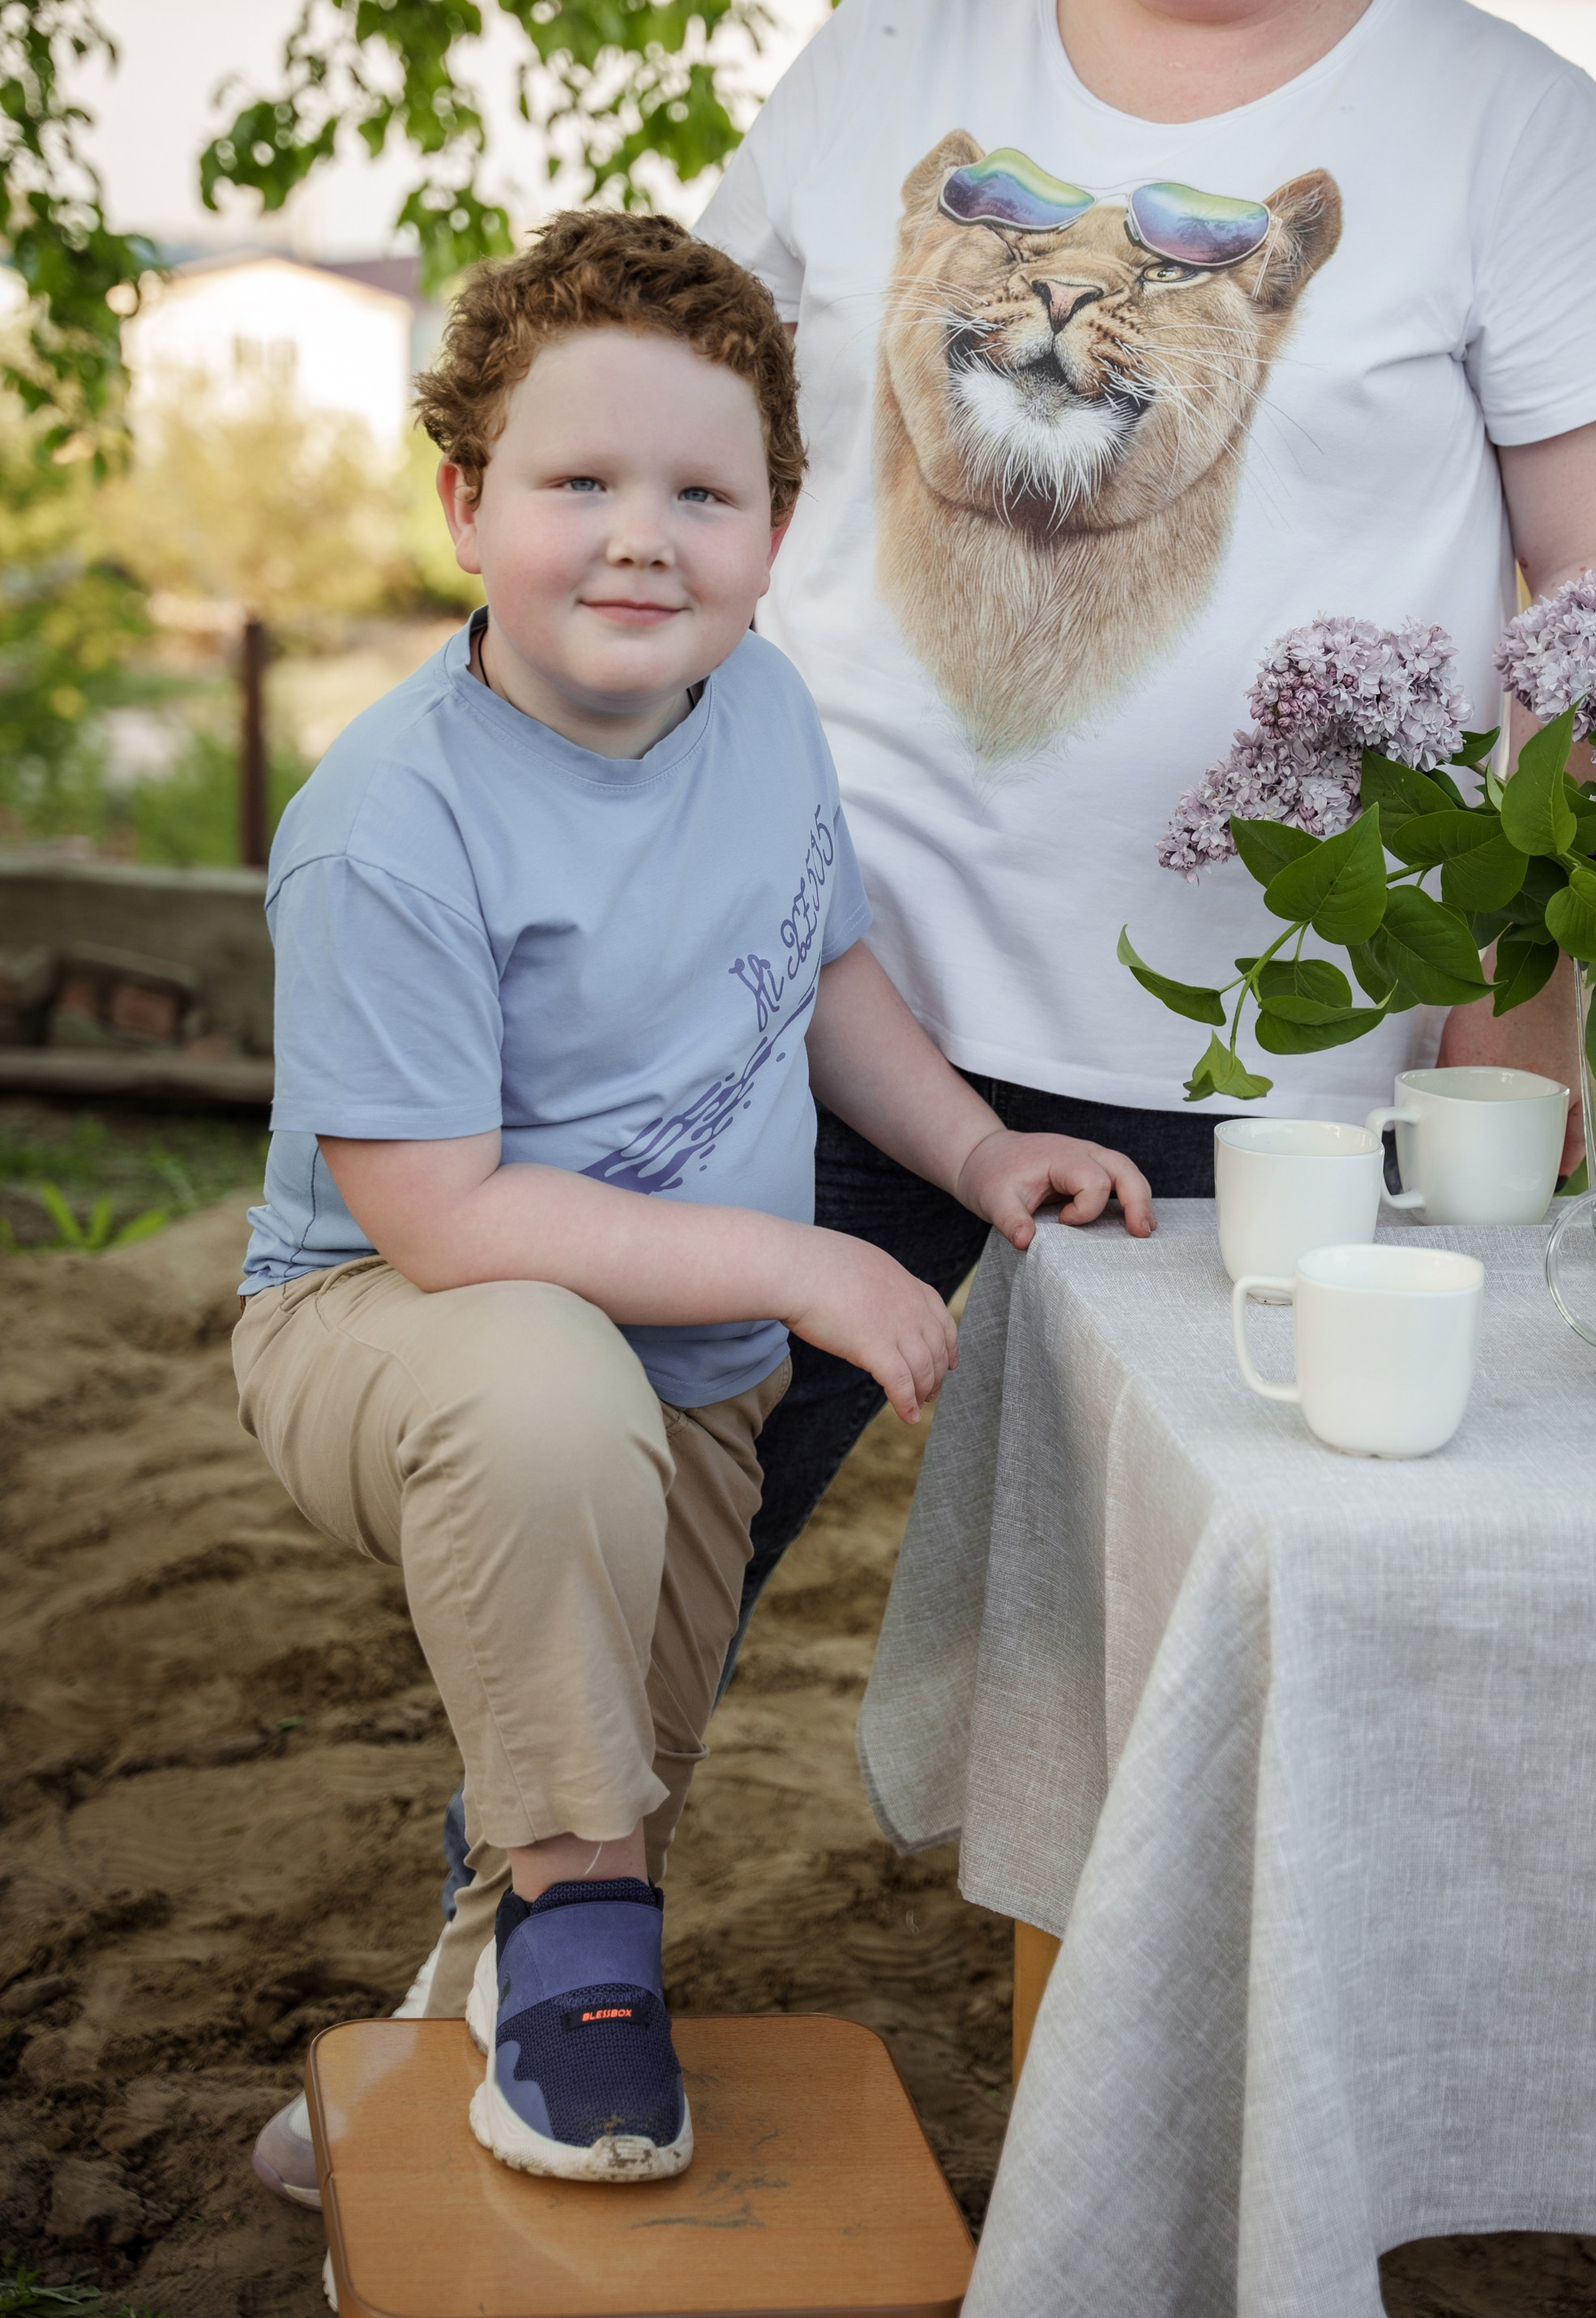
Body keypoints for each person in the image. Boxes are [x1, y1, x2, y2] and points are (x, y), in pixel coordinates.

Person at [704, 0, 1596, 1615]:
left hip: (1268, 1075)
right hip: (814, 981)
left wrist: (1505, 1029)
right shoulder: (909, 37)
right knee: (646, 1520)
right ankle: (517, 1915)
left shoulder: (1510, 128)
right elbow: (689, 422)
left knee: (1197, 1631)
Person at [241, 212, 1151, 2201]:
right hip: (392, 1320)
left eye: (700, 493)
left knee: (593, 1775)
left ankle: (407, 2083)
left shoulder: (758, 720)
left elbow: (824, 986)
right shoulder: (390, 823)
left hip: (691, 1363)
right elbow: (446, 1221)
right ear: (468, 504)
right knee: (542, 1402)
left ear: (775, 531)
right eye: (578, 484)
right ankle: (571, 1971)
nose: (640, 537)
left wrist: (981, 1154)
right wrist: (810, 1258)